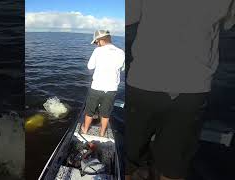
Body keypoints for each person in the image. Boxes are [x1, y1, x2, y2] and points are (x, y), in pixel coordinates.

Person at [125, 0, 235, 180]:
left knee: (129, 159)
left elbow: (128, 16)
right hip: (192, 88)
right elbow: (229, 22)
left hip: (144, 82)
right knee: (174, 167)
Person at [81, 30, 125, 137]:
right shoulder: (121, 52)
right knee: (106, 113)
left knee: (90, 110)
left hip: (96, 87)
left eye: (96, 42)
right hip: (111, 89)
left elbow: (90, 66)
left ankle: (85, 130)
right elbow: (122, 69)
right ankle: (102, 133)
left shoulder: (97, 51)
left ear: (100, 40)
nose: (96, 44)